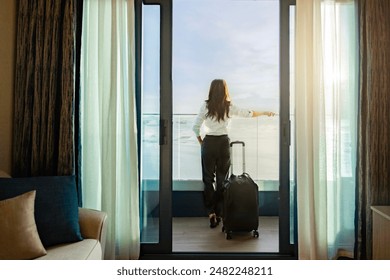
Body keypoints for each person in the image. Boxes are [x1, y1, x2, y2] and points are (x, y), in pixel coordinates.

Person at [192, 79, 275, 228]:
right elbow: (248, 113)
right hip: (223, 143)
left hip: (209, 143)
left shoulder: (205, 106)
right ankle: (219, 212)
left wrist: (201, 142)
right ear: (225, 90)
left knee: (208, 179)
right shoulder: (228, 107)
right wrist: (264, 113)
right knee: (222, 180)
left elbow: (195, 127)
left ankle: (211, 213)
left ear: (211, 90)